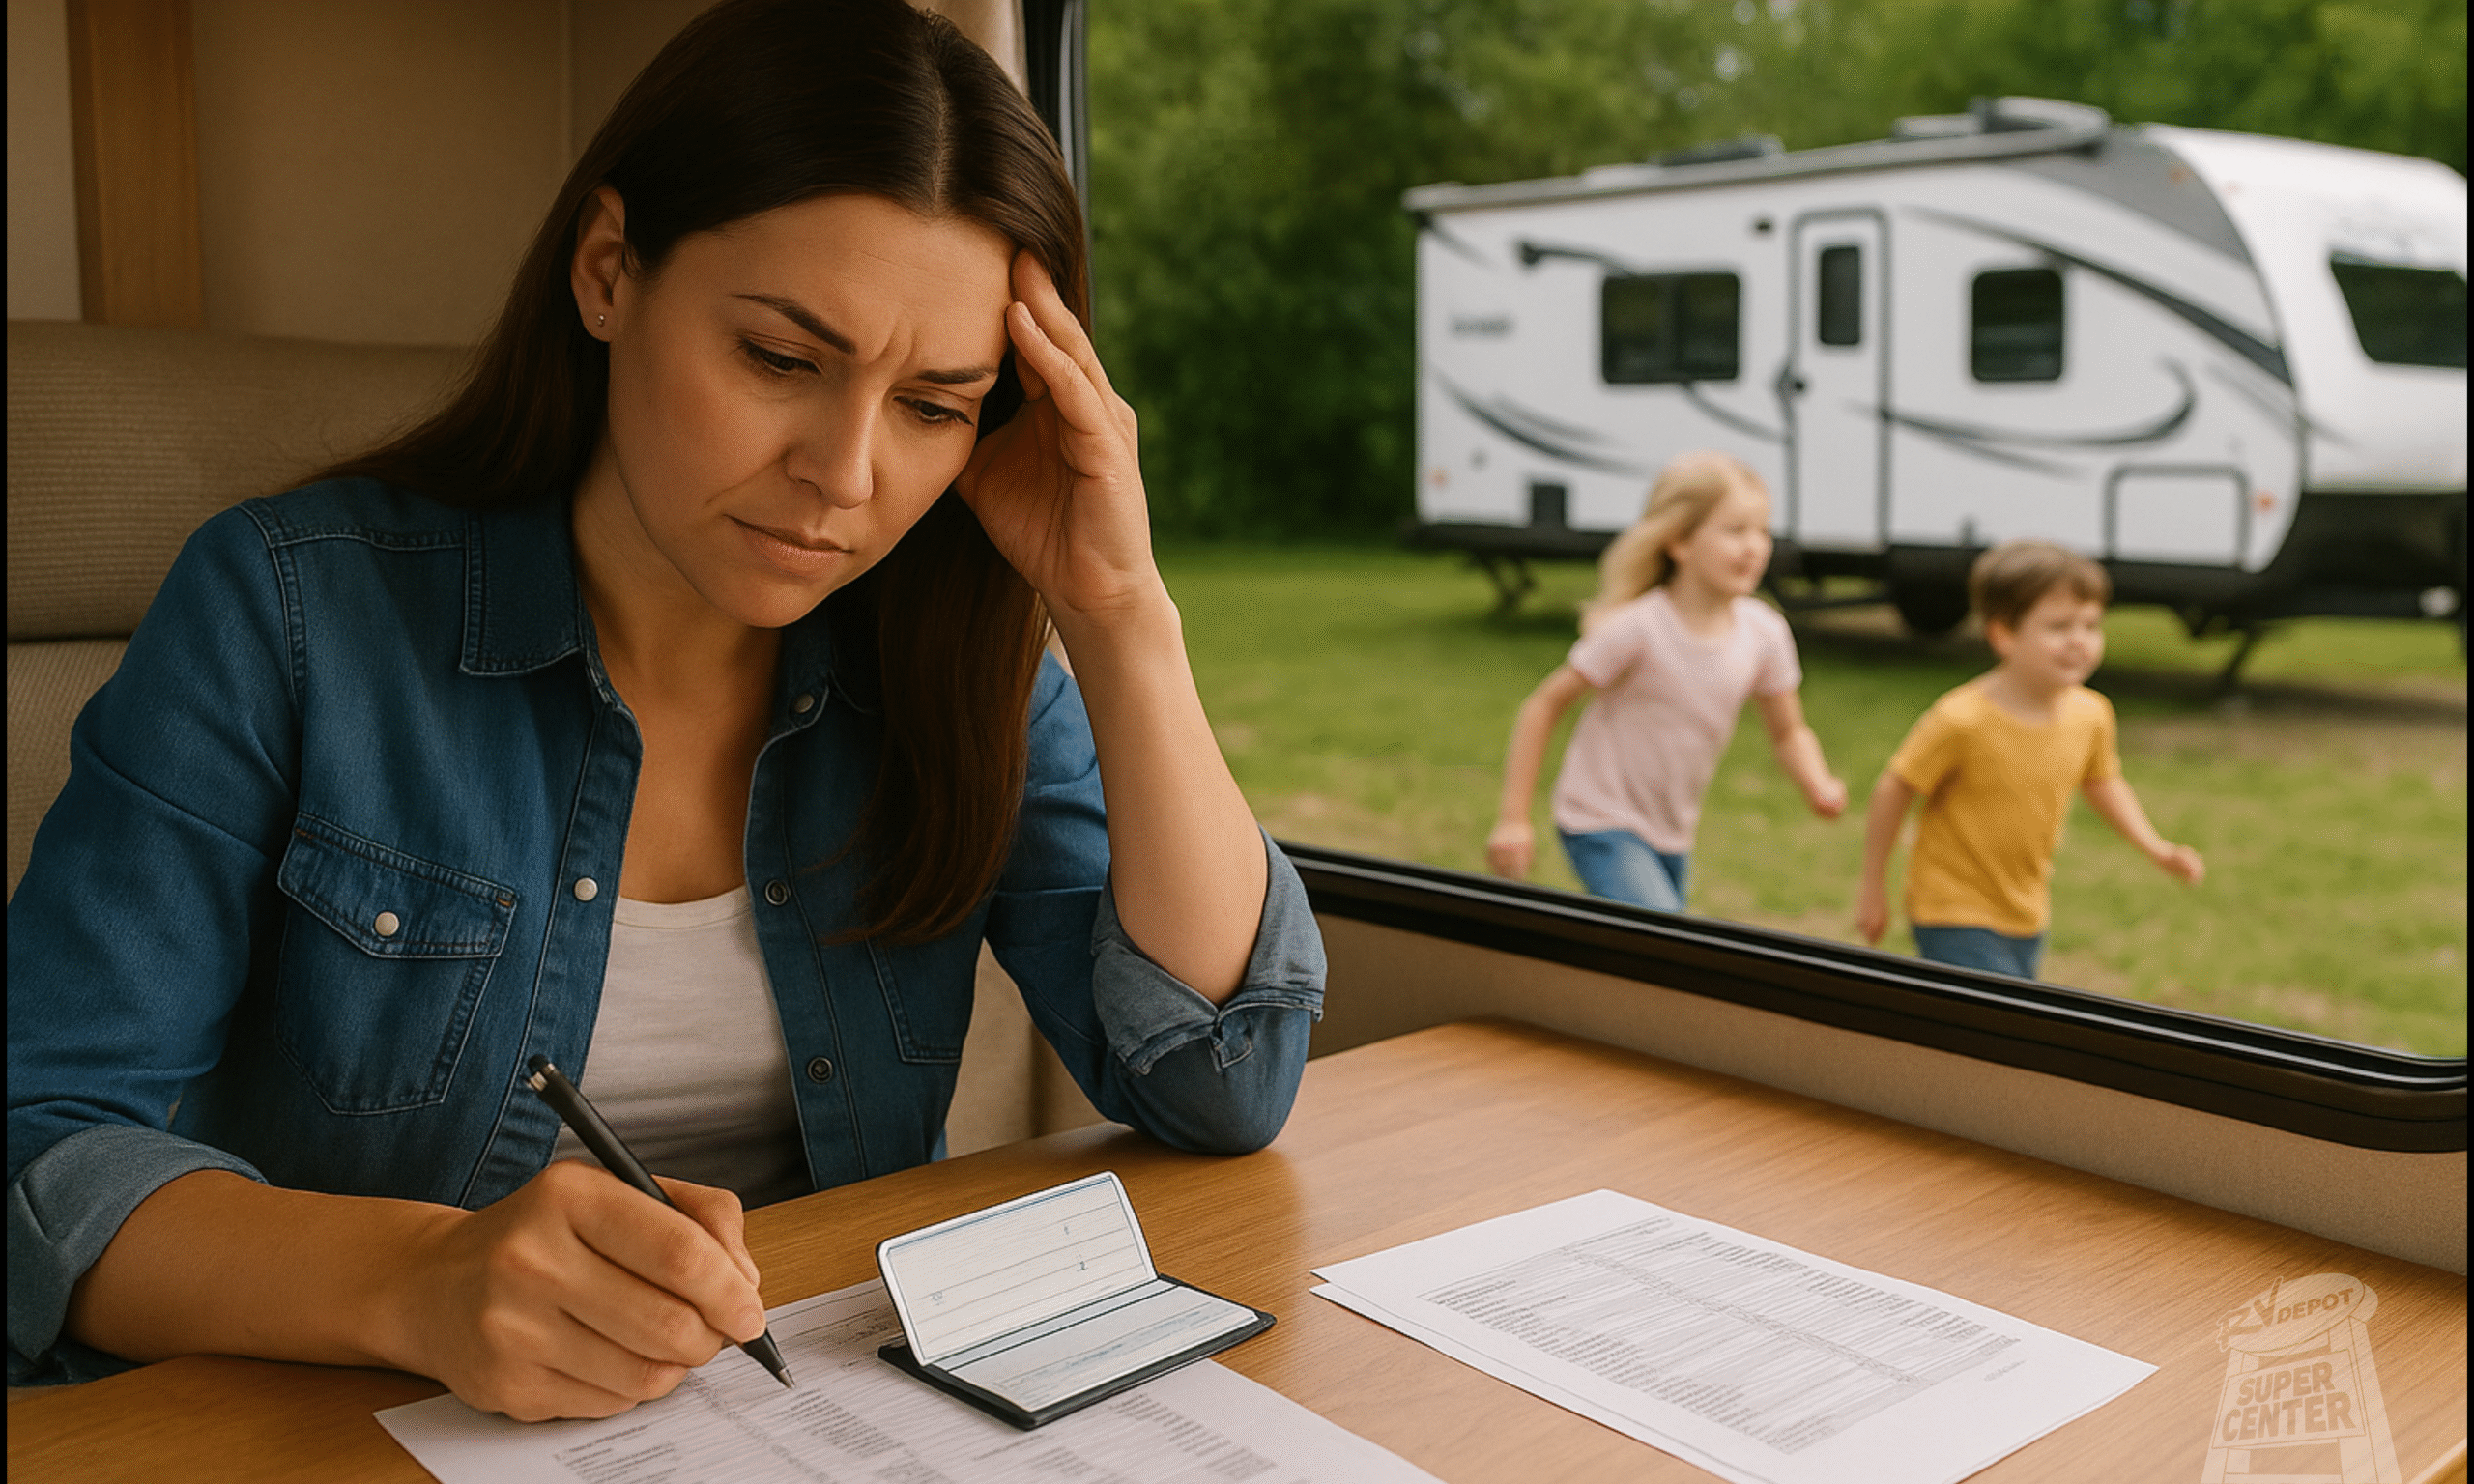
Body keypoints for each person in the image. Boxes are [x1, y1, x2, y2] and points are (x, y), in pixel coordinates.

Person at [6, 0, 1324, 1420]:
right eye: (781, 360)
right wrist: (421, 1280)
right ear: (608, 272)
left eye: (935, 406)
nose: (846, 476)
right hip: (353, 1426)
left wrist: (1123, 615)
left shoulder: (951, 662)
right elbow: (37, 1145)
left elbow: (1222, 1081)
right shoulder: (289, 611)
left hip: (817, 1418)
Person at [1487, 451, 1847, 911]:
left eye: (1762, 531)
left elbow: (1789, 732)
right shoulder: (1640, 627)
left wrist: (1816, 781)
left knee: (1652, 946)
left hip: (1674, 832)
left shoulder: (1764, 633)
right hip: (1600, 817)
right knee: (1665, 938)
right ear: (1679, 542)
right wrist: (1513, 819)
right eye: (1735, 530)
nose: (1754, 546)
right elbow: (1544, 706)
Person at [1856, 540, 2204, 978]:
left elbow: (2102, 782)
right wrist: (1873, 885)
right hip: (1952, 908)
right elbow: (1896, 786)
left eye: (2091, 625)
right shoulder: (1961, 719)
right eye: (2059, 627)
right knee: (1993, 1016)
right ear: (2003, 634)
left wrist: (2156, 848)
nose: (2079, 641)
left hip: (2026, 910)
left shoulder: (2092, 714)